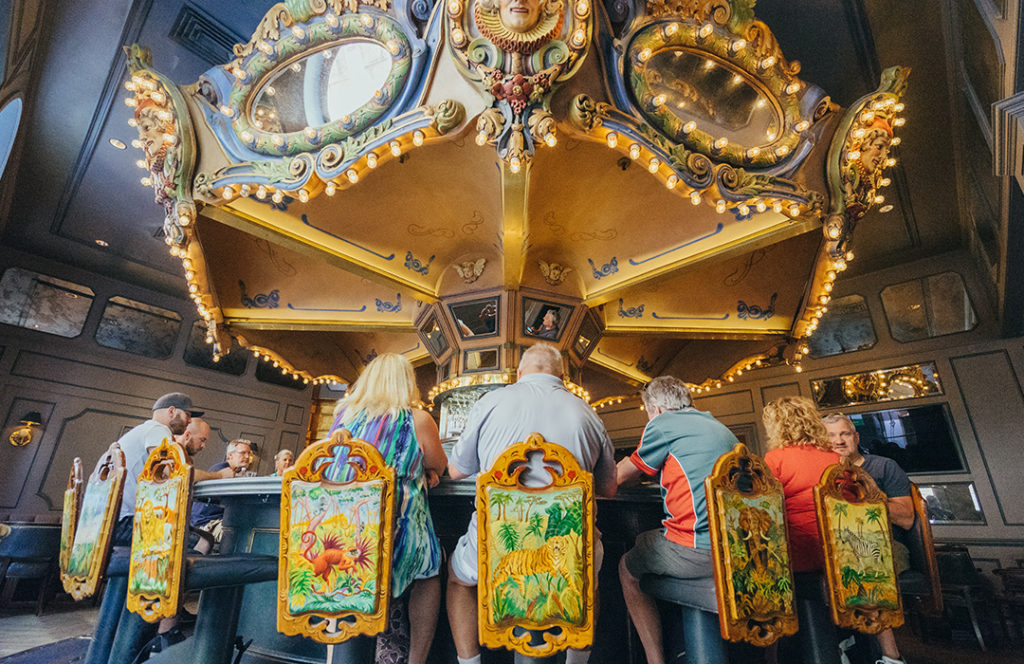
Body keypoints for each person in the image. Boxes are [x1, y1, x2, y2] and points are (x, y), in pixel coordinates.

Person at [446, 342, 617, 664]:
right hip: (569, 552)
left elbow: (456, 471)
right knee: (587, 577)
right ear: (563, 376)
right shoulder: (587, 412)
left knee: (459, 580)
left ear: (519, 373)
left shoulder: (491, 402)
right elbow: (608, 488)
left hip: (495, 548)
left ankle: (469, 661)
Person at [327, 353, 447, 664]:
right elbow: (439, 464)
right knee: (429, 570)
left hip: (345, 533)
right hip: (395, 531)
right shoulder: (416, 419)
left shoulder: (342, 419)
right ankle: (416, 660)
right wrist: (426, 469)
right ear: (407, 383)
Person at [615, 376, 738, 664]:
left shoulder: (662, 424)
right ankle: (681, 645)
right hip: (738, 550)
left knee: (627, 567)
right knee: (646, 541)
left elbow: (621, 476)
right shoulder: (719, 427)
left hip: (698, 550)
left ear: (654, 409)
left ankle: (656, 660)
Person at [824, 413, 912, 664]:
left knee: (863, 561)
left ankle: (891, 656)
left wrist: (867, 496)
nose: (838, 441)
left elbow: (906, 517)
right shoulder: (826, 477)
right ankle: (841, 643)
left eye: (844, 434)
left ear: (856, 437)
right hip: (841, 548)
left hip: (887, 545)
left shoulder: (884, 466)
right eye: (831, 436)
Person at [762, 396, 840, 573]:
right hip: (838, 546)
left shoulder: (775, 458)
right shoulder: (835, 457)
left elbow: (766, 507)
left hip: (798, 550)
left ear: (777, 427)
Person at [113, 392, 201, 546]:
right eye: (187, 415)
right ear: (171, 411)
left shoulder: (142, 431)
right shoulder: (157, 430)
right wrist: (219, 475)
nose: (189, 420)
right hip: (126, 523)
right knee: (200, 541)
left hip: (111, 522)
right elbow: (176, 473)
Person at [190, 439, 254, 548]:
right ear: (230, 455)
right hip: (206, 523)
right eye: (243, 453)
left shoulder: (234, 473)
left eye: (249, 453)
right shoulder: (220, 471)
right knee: (245, 531)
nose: (247, 457)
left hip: (218, 519)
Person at [175, 418, 233, 482]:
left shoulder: (185, 456)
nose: (203, 445)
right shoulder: (169, 449)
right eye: (202, 440)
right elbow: (184, 474)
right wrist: (219, 475)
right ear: (187, 435)